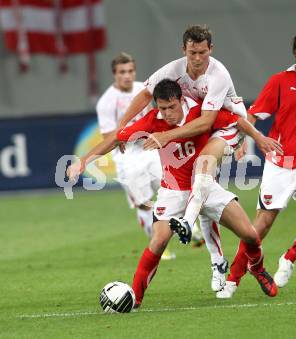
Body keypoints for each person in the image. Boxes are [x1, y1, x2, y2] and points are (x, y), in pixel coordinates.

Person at [67, 79, 277, 306]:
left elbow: (238, 121)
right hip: (172, 192)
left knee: (250, 235)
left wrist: (259, 137)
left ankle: (258, 269)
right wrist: (83, 161)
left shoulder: (200, 111)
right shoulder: (152, 121)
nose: (167, 113)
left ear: (181, 100)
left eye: (171, 107)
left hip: (205, 187)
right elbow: (116, 137)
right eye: (162, 108)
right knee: (158, 242)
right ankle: (135, 298)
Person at [117, 25, 281, 244]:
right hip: (210, 122)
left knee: (203, 165)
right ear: (183, 49)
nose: (196, 58)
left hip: (230, 126)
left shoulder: (218, 75)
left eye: (202, 52)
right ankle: (217, 265)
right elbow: (147, 92)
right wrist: (122, 124)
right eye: (192, 52)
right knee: (203, 185)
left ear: (211, 49)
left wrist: (255, 136)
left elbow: (207, 122)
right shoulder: (173, 70)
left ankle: (187, 221)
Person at [217, 28, 296, 298]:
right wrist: (240, 143)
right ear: (295, 53)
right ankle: (233, 280)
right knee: (259, 227)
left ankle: (289, 258)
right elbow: (253, 115)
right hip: (280, 164)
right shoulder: (280, 82)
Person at [95, 52, 175, 259]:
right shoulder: (106, 101)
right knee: (143, 202)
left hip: (149, 148)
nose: (127, 76)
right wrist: (126, 137)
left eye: (130, 71)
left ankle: (189, 229)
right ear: (115, 74)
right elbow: (107, 135)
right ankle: (158, 244)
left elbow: (156, 114)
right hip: (127, 156)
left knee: (172, 187)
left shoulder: (144, 90)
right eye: (122, 72)